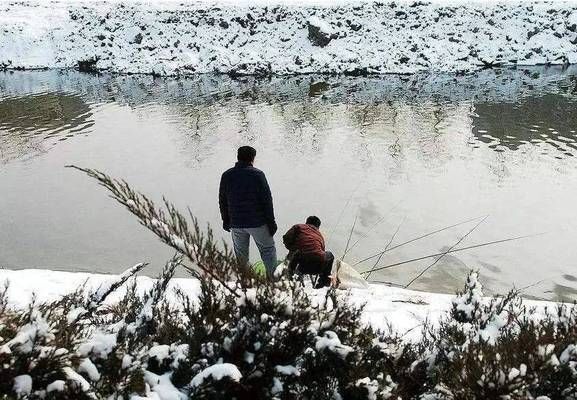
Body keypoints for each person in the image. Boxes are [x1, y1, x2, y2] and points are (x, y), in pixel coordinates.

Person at [219, 146, 278, 277]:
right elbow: (267, 200)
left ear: (238, 157)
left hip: (237, 223)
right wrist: (271, 222)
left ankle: (245, 282)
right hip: (258, 222)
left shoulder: (227, 175)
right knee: (268, 250)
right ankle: (273, 281)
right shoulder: (258, 174)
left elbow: (222, 200)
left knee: (241, 255)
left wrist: (226, 220)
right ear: (253, 158)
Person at [282, 216, 334, 288]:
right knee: (329, 255)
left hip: (302, 266)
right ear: (318, 226)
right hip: (319, 267)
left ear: (306, 223)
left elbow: (286, 238)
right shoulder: (320, 236)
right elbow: (322, 251)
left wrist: (292, 248)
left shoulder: (299, 227)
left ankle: (289, 277)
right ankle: (323, 283)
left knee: (297, 252)